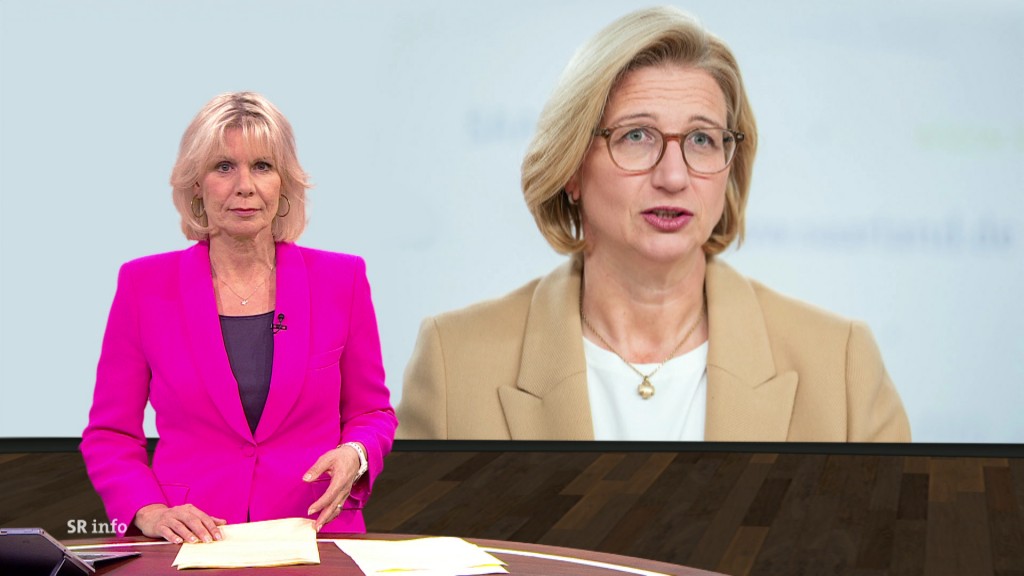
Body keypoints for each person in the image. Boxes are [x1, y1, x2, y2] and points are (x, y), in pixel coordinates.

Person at [397, 7, 910, 442]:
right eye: (637, 136)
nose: (673, 176)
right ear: (572, 168)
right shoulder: (454, 363)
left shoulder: (841, 366)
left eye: (702, 139)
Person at [81, 92, 397, 543]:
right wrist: (147, 511)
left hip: (315, 532)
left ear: (284, 183)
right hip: (193, 540)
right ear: (196, 184)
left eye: (262, 166)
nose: (244, 186)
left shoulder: (341, 279)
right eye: (224, 167)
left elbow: (371, 412)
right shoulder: (143, 286)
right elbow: (110, 433)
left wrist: (357, 453)